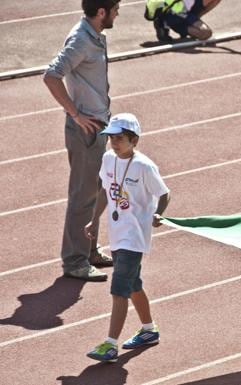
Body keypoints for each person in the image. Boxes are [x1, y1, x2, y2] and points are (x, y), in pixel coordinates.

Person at [43, 0, 121, 281]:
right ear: (101, 12)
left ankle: (89, 250)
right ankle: (74, 261)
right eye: (115, 9)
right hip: (85, 130)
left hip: (99, 126)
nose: (117, 13)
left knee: (98, 191)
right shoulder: (80, 39)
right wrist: (75, 114)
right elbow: (51, 76)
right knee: (82, 196)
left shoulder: (94, 35)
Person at [84, 113, 171, 362]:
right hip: (117, 234)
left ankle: (110, 345)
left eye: (120, 138)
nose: (114, 142)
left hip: (134, 237)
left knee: (119, 289)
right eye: (111, 137)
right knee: (133, 285)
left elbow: (164, 194)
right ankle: (148, 330)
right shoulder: (108, 158)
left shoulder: (144, 166)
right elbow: (104, 190)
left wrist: (158, 214)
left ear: (134, 140)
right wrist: (95, 219)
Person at [146, 0, 221, 42]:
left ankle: (194, 23)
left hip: (188, 7)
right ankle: (163, 23)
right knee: (206, 33)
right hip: (177, 14)